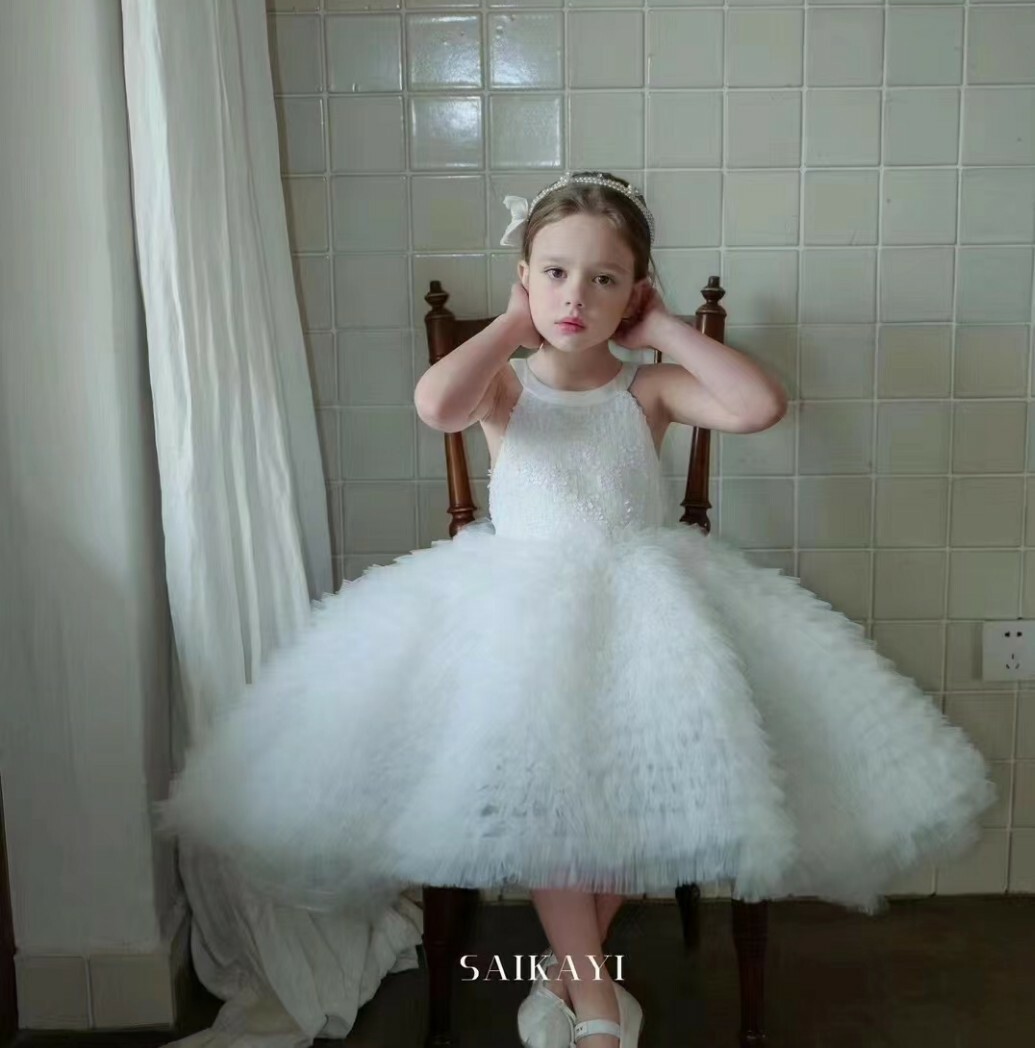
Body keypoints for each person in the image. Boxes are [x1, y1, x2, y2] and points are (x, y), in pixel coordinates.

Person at [155, 171, 997, 1048]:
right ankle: (595, 1005)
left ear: (634, 291)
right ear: (525, 276)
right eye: (555, 273)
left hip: (649, 613)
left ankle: (567, 973)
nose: (576, 297)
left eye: (604, 279)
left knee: (647, 792)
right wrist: (510, 325)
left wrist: (664, 330)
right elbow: (436, 405)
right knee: (550, 794)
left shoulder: (647, 388)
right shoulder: (506, 385)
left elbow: (758, 407)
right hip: (519, 617)